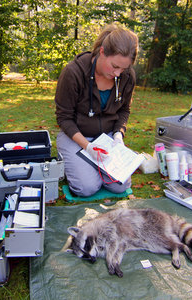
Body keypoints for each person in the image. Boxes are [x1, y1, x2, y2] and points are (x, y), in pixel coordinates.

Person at [55, 24, 138, 197]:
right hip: (77, 136)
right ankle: (74, 160)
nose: (118, 73)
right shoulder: (73, 73)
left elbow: (124, 110)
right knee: (87, 188)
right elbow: (64, 118)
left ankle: (90, 165)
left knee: (120, 186)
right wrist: (87, 146)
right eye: (115, 66)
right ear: (102, 52)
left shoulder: (127, 76)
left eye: (123, 68)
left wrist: (118, 135)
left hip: (107, 138)